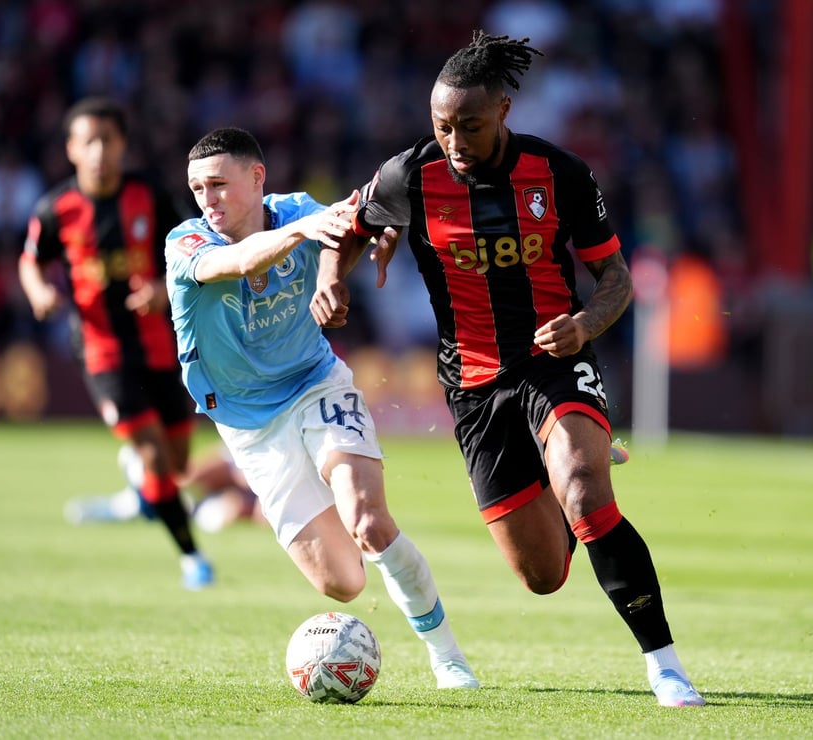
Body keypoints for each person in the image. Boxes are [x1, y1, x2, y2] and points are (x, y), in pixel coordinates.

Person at [311, 31, 704, 707]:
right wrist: (331, 278)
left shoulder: (560, 174)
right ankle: (566, 460)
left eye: (469, 124)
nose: (455, 140)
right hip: (472, 384)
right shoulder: (411, 174)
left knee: (586, 492)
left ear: (504, 111)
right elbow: (348, 226)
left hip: (555, 359)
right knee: (543, 576)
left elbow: (615, 279)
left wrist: (585, 325)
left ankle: (665, 666)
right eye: (442, 126)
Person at [164, 126, 479, 690]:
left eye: (218, 184)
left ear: (257, 178)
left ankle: (448, 657)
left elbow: (351, 224)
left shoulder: (297, 211)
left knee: (369, 522)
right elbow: (233, 264)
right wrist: (304, 231)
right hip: (249, 426)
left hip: (315, 384)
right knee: (343, 583)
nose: (207, 199)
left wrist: (373, 236)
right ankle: (267, 507)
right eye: (197, 189)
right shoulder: (186, 242)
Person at [19, 97, 213, 591]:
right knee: (155, 457)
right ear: (71, 149)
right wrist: (39, 292)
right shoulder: (56, 209)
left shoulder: (150, 195)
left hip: (161, 344)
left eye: (108, 140)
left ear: (123, 144)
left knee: (178, 463)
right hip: (101, 349)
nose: (99, 151)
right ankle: (192, 557)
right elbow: (31, 261)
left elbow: (192, 250)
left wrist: (163, 290)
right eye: (89, 142)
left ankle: (140, 485)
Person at [64, 442, 264, 533]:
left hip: (268, 485)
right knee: (198, 476)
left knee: (244, 509)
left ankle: (152, 503)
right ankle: (150, 495)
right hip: (260, 454)